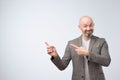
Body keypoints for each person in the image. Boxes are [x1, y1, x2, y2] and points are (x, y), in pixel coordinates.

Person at [45, 16, 111, 80]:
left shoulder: (101, 41)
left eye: (90, 25)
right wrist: (55, 55)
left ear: (93, 25)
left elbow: (107, 61)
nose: (88, 28)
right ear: (79, 27)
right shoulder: (71, 44)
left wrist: (88, 53)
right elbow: (62, 66)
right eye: (85, 26)